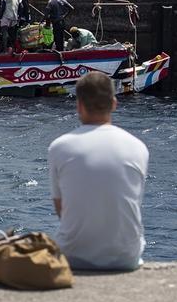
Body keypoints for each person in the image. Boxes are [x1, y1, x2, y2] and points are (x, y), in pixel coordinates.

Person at [48, 72, 148, 270]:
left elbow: (62, 210)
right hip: (126, 258)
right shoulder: (138, 147)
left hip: (73, 255)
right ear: (113, 104)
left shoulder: (59, 147)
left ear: (79, 105)